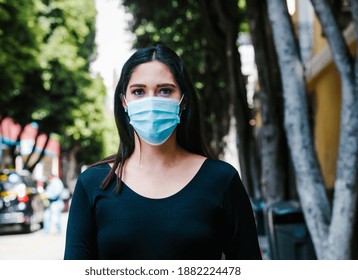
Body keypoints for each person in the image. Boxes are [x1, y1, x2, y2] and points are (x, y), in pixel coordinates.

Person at [64, 44, 262, 260]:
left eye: (165, 90)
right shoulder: (92, 184)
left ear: (183, 101)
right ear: (124, 102)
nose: (151, 101)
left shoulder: (222, 180)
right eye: (138, 91)